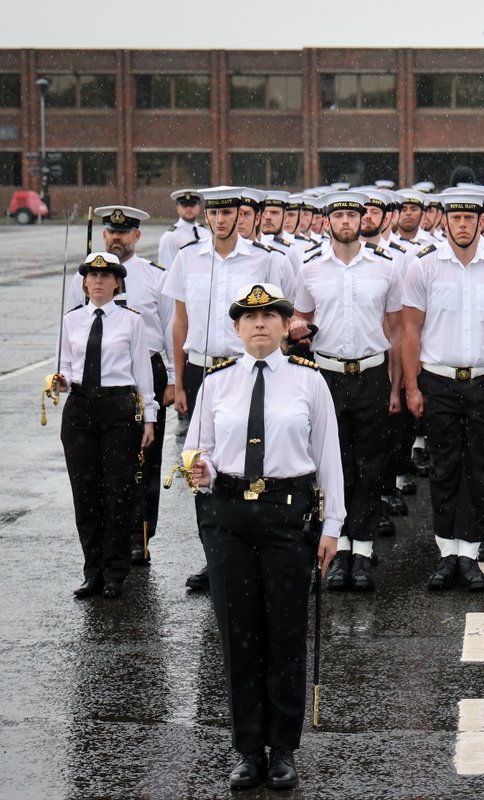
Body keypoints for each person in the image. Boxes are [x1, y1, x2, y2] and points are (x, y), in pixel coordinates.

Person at [185, 282, 343, 792]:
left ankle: (283, 750)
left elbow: (329, 460)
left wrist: (332, 527)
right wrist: (198, 469)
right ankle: (248, 750)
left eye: (269, 317)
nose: (259, 325)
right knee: (238, 634)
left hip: (286, 513)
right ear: (235, 328)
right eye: (249, 318)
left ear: (284, 327)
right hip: (228, 514)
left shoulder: (309, 382)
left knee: (284, 633)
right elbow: (197, 449)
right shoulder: (216, 383)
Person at [163, 185, 294, 592]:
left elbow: (285, 318)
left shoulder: (266, 260)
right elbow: (179, 322)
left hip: (245, 368)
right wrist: (178, 378)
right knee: (202, 464)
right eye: (213, 214)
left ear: (241, 215)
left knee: (250, 460)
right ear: (205, 217)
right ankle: (215, 554)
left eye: (228, 214)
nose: (220, 221)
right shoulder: (188, 259)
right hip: (203, 371)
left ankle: (259, 548)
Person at [401, 190, 484, 592]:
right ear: (446, 220)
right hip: (438, 380)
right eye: (456, 218)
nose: (463, 225)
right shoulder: (424, 267)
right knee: (444, 466)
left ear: (481, 220)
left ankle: (469, 552)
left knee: (481, 466)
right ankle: (446, 552)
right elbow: (410, 330)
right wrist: (412, 385)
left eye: (470, 218)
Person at [289, 191, 403, 591]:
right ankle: (336, 552)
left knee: (370, 466)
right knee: (332, 467)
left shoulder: (385, 268)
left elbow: (395, 328)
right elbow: (301, 316)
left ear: (362, 221)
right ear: (327, 222)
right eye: (338, 216)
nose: (346, 222)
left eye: (352, 215)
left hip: (372, 374)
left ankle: (364, 552)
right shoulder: (310, 269)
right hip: (328, 376)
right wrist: (297, 329)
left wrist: (397, 384)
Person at [65, 206, 173, 565]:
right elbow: (70, 329)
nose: (117, 238)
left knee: (146, 459)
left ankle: (140, 534)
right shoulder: (87, 278)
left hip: (147, 370)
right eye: (111, 232)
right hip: (99, 380)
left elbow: (171, 328)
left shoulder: (155, 276)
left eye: (124, 233)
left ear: (137, 237)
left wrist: (172, 379)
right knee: (105, 469)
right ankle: (111, 542)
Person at [54, 252, 158, 599]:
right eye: (92, 276)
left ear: (117, 283)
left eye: (106, 276)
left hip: (118, 408)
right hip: (81, 408)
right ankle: (92, 571)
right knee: (85, 494)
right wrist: (61, 381)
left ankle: (115, 571)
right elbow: (68, 366)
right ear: (84, 283)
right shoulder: (72, 320)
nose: (98, 281)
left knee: (118, 492)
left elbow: (142, 371)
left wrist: (150, 416)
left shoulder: (131, 321)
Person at [158, 188, 210, 268]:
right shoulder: (170, 237)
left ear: (199, 207)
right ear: (178, 208)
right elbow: (167, 271)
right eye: (184, 204)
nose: (189, 208)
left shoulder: (205, 233)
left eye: (192, 204)